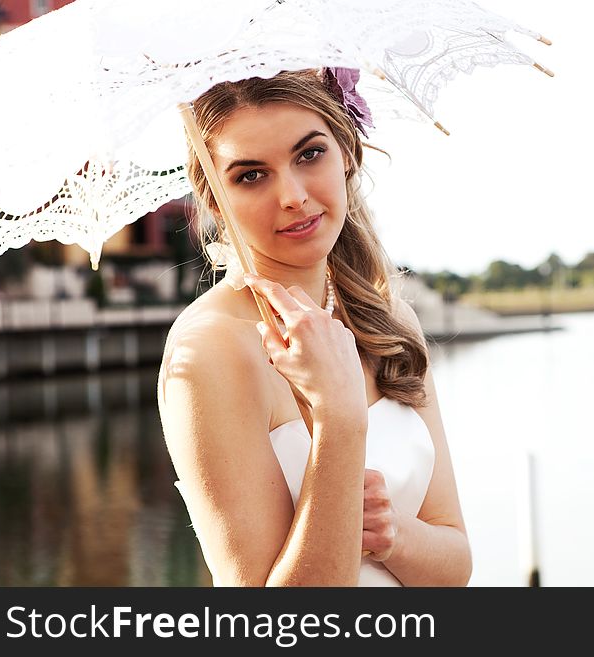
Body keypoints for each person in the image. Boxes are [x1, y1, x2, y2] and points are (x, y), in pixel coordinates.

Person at [157, 68, 472, 587]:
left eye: (309, 154)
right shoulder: (209, 350)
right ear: (215, 199)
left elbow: (456, 563)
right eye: (250, 175)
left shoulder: (390, 319)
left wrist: (393, 534)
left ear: (346, 151)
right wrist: (338, 419)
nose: (294, 196)